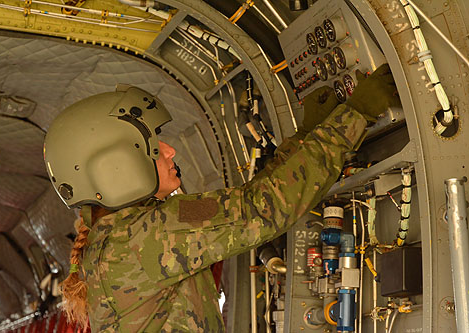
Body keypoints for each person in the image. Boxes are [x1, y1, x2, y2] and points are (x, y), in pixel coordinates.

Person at [43, 64, 399, 332]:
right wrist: (356, 115)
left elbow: (247, 203)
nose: (169, 151)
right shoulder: (153, 232)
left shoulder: (124, 235)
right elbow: (265, 208)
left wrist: (306, 137)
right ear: (115, 164)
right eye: (153, 147)